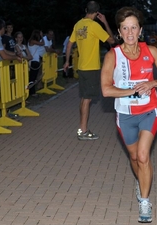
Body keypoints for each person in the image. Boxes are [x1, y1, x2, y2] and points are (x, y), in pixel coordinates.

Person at [101, 6, 157, 223]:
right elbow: (106, 90)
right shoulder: (113, 56)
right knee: (134, 157)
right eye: (125, 28)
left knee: (143, 155)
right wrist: (132, 89)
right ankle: (140, 180)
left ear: (140, 30)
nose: (130, 33)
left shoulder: (152, 51)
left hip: (150, 111)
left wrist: (153, 83)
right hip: (125, 115)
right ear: (119, 31)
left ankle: (144, 201)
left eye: (133, 27)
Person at [63, 1, 115, 141]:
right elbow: (111, 40)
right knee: (87, 99)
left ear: (86, 10)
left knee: (84, 98)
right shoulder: (94, 26)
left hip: (81, 67)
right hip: (91, 68)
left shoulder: (78, 24)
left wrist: (67, 61)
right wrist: (105, 22)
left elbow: (69, 45)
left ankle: (82, 128)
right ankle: (83, 131)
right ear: (97, 12)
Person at [27, 29, 46, 96]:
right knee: (32, 77)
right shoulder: (32, 41)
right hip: (34, 61)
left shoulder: (32, 41)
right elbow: (43, 43)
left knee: (33, 77)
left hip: (35, 60)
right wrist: (42, 36)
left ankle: (32, 91)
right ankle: (31, 92)